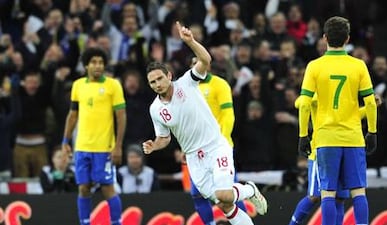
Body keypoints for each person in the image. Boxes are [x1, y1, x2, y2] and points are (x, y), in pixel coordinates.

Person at [143, 21, 267, 225]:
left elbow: (205, 59)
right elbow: (164, 138)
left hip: (216, 146)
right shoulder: (155, 109)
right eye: (152, 82)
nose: (157, 84)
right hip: (194, 158)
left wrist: (190, 41)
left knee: (225, 195)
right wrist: (154, 145)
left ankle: (250, 189)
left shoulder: (187, 83)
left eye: (159, 79)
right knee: (223, 203)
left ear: (169, 76)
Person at [297, 16, 377, 225]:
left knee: (328, 194)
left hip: (325, 138)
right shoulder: (358, 66)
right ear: (347, 39)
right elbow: (370, 102)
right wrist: (372, 132)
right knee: (358, 191)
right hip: (352, 137)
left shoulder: (314, 66)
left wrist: (303, 135)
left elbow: (304, 104)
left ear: (324, 38)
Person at [290, 94, 382, 225]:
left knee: (339, 198)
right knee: (314, 196)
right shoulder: (320, 89)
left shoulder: (341, 97)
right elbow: (299, 102)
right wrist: (319, 97)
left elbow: (353, 116)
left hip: (341, 149)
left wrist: (369, 108)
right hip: (319, 151)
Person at [62, 47, 127, 225]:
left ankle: (116, 223)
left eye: (101, 62)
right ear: (86, 65)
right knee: (83, 188)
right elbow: (72, 115)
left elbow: (121, 117)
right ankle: (84, 223)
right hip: (82, 147)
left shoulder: (113, 85)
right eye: (94, 62)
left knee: (108, 188)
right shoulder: (78, 86)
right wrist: (65, 141)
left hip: (104, 148)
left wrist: (118, 146)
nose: (98, 66)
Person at [184, 57, 247, 225]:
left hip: (218, 147)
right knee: (197, 193)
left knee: (227, 191)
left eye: (200, 62)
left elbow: (228, 115)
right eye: (193, 63)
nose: (197, 66)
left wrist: (223, 140)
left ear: (207, 64)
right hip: (196, 150)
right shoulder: (186, 90)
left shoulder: (220, 85)